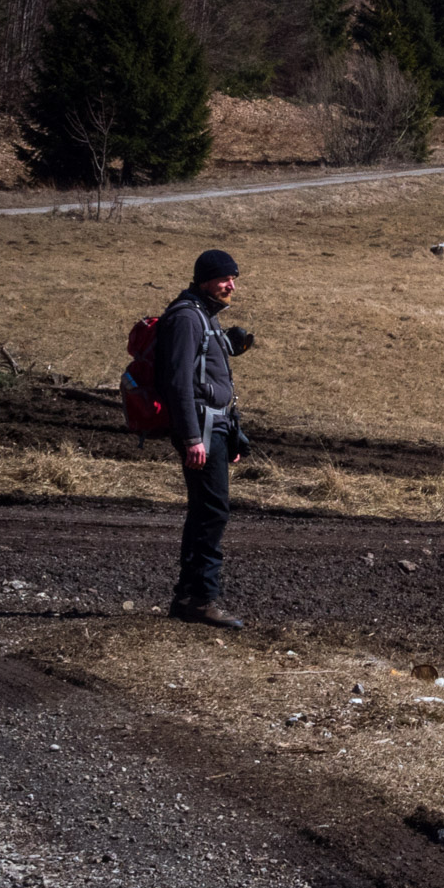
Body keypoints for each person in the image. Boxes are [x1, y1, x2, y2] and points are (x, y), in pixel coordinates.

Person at [156, 249, 257, 629]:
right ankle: (199, 600)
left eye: (233, 278)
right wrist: (191, 438)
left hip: (213, 427)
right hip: (199, 430)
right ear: (204, 280)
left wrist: (229, 436)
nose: (230, 285)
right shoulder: (186, 318)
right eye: (223, 278)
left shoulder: (204, 315)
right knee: (211, 512)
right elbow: (178, 384)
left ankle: (189, 597)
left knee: (207, 512)